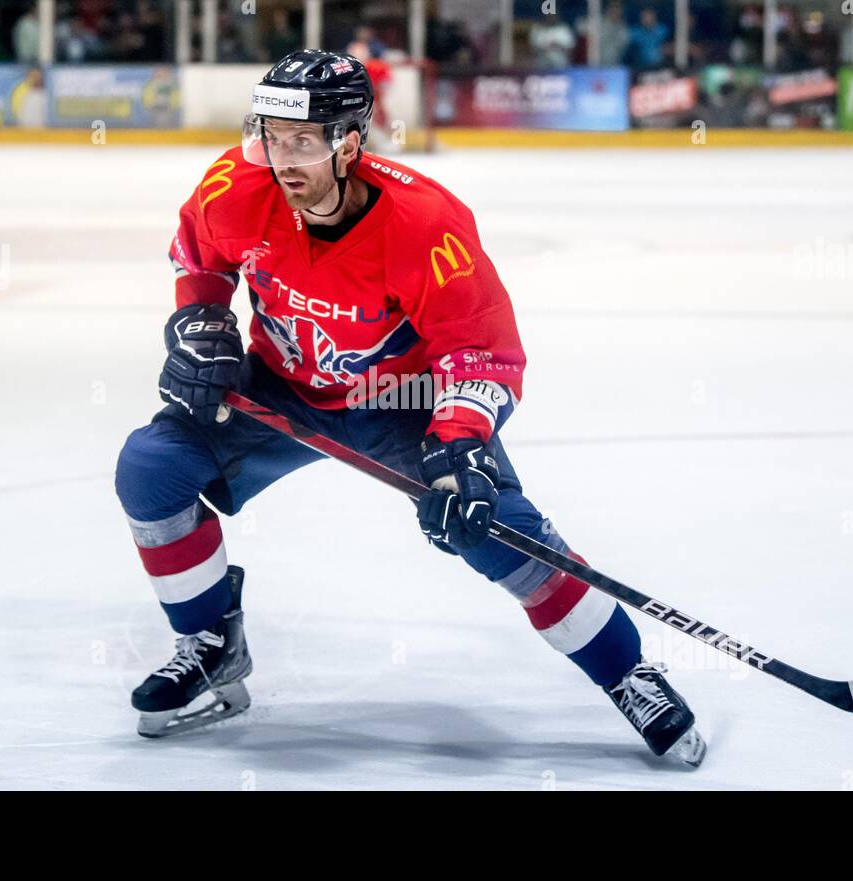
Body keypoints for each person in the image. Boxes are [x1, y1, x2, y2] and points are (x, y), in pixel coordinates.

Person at [113, 50, 706, 766]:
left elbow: (479, 352)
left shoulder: (426, 224)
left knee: (495, 529)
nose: (282, 160)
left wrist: (458, 443)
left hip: (403, 400)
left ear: (348, 145)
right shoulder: (237, 185)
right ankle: (212, 644)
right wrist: (201, 321)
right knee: (152, 466)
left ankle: (627, 672)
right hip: (278, 388)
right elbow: (198, 256)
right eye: (271, 137)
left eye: (302, 142)